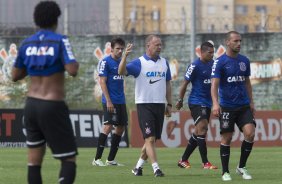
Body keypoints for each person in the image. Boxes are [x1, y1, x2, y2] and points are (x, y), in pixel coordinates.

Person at [11, 1, 79, 184]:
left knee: (33, 162)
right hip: (52, 105)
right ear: (56, 20)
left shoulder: (27, 43)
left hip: (31, 106)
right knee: (68, 159)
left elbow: (15, 75)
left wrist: (34, 63)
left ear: (36, 21)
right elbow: (72, 69)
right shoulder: (60, 40)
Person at [118, 35, 172, 177]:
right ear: (148, 45)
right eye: (156, 45)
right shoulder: (139, 63)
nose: (159, 47)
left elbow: (168, 84)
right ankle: (156, 169)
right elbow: (121, 72)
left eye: (160, 45)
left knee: (151, 139)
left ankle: (138, 168)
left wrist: (169, 103)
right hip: (144, 104)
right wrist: (125, 57)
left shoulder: (164, 63)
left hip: (160, 105)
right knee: (150, 139)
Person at [211, 31, 256, 181]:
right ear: (228, 42)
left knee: (250, 133)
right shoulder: (220, 62)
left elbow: (247, 82)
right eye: (236, 41)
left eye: (240, 41)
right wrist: (215, 104)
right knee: (227, 138)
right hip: (227, 107)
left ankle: (241, 166)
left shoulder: (244, 61)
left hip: (243, 105)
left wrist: (251, 101)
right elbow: (214, 85)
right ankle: (225, 171)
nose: (239, 44)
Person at [175, 41, 218, 170]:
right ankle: (205, 163)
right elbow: (184, 84)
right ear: (202, 52)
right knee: (203, 127)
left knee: (199, 131)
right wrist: (180, 100)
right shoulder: (194, 66)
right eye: (209, 52)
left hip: (208, 102)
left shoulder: (214, 64)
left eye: (213, 52)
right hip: (196, 101)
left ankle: (183, 160)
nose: (212, 54)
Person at [92, 37, 128, 166]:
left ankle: (110, 159)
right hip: (109, 100)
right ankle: (97, 159)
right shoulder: (105, 62)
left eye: (121, 49)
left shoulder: (122, 62)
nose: (120, 51)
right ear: (111, 49)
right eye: (117, 48)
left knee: (120, 128)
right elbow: (102, 81)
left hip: (121, 100)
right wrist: (108, 101)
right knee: (107, 127)